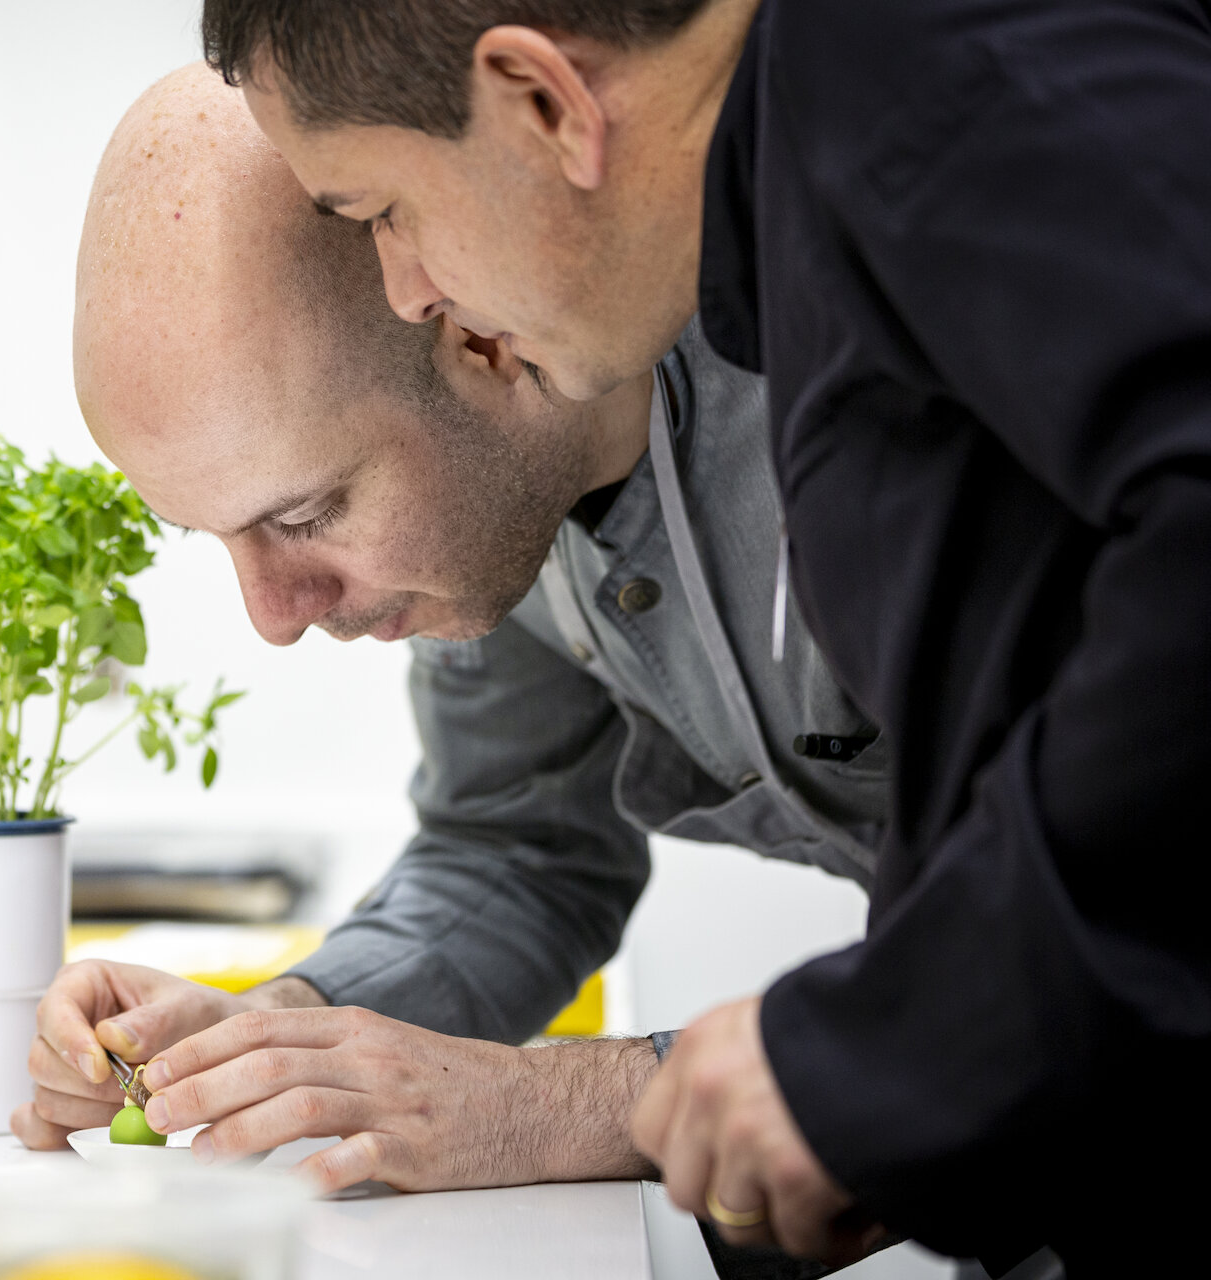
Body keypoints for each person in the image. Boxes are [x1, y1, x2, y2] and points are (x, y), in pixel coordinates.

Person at [197, 0, 1211, 1274]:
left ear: (542, 101)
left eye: (383, 212)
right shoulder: (810, 204)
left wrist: (882, 1046)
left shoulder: (924, 78)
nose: (409, 292)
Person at [26, 67, 893, 1270]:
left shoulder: (864, 397)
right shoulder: (500, 519)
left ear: (474, 324)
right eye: (214, 537)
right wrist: (283, 1031)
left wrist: (548, 1105)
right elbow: (518, 850)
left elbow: (1063, 931)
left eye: (306, 512)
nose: (272, 616)